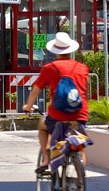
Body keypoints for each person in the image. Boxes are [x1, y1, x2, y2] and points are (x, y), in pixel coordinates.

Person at [22, 32, 90, 173]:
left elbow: (35, 91)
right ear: (70, 50)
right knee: (79, 137)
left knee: (42, 125)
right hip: (80, 114)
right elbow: (86, 92)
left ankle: (46, 159)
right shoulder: (82, 68)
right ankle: (81, 166)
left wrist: (28, 107)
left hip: (58, 115)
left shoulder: (50, 68)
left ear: (55, 51)